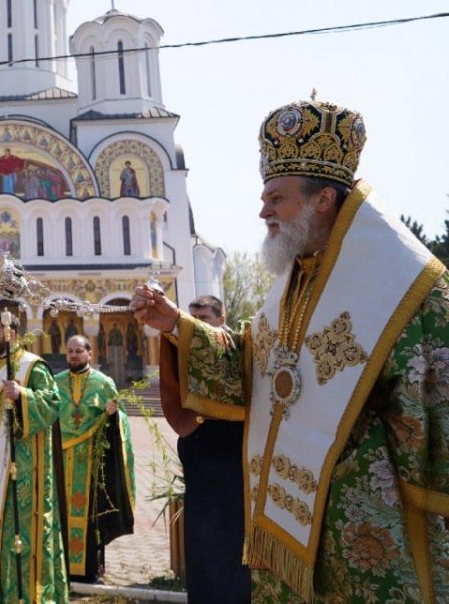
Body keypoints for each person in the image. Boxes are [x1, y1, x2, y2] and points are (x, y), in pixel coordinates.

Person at [133, 99, 449, 603]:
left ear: (324, 199)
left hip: (365, 524)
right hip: (291, 517)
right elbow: (253, 367)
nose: (263, 211)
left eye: (276, 197)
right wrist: (176, 323)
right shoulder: (297, 280)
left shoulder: (406, 288)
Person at [0, 312, 69, 603]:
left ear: (10, 334)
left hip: (21, 467)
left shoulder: (32, 366)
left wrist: (22, 394)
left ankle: (20, 593)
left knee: (15, 529)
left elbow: (52, 402)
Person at [158, 295, 251, 604]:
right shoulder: (184, 344)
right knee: (200, 538)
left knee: (230, 539)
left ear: (221, 320)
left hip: (231, 449)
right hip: (198, 447)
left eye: (204, 320)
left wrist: (178, 325)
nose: (196, 326)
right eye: (192, 319)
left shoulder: (235, 346)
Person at [55, 335, 136, 583]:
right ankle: (60, 568)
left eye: (79, 351)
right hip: (60, 461)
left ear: (90, 353)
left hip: (91, 462)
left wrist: (112, 416)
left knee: (90, 516)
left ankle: (89, 569)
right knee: (59, 514)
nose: (74, 355)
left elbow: (121, 422)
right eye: (70, 351)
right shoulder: (55, 383)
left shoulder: (104, 383)